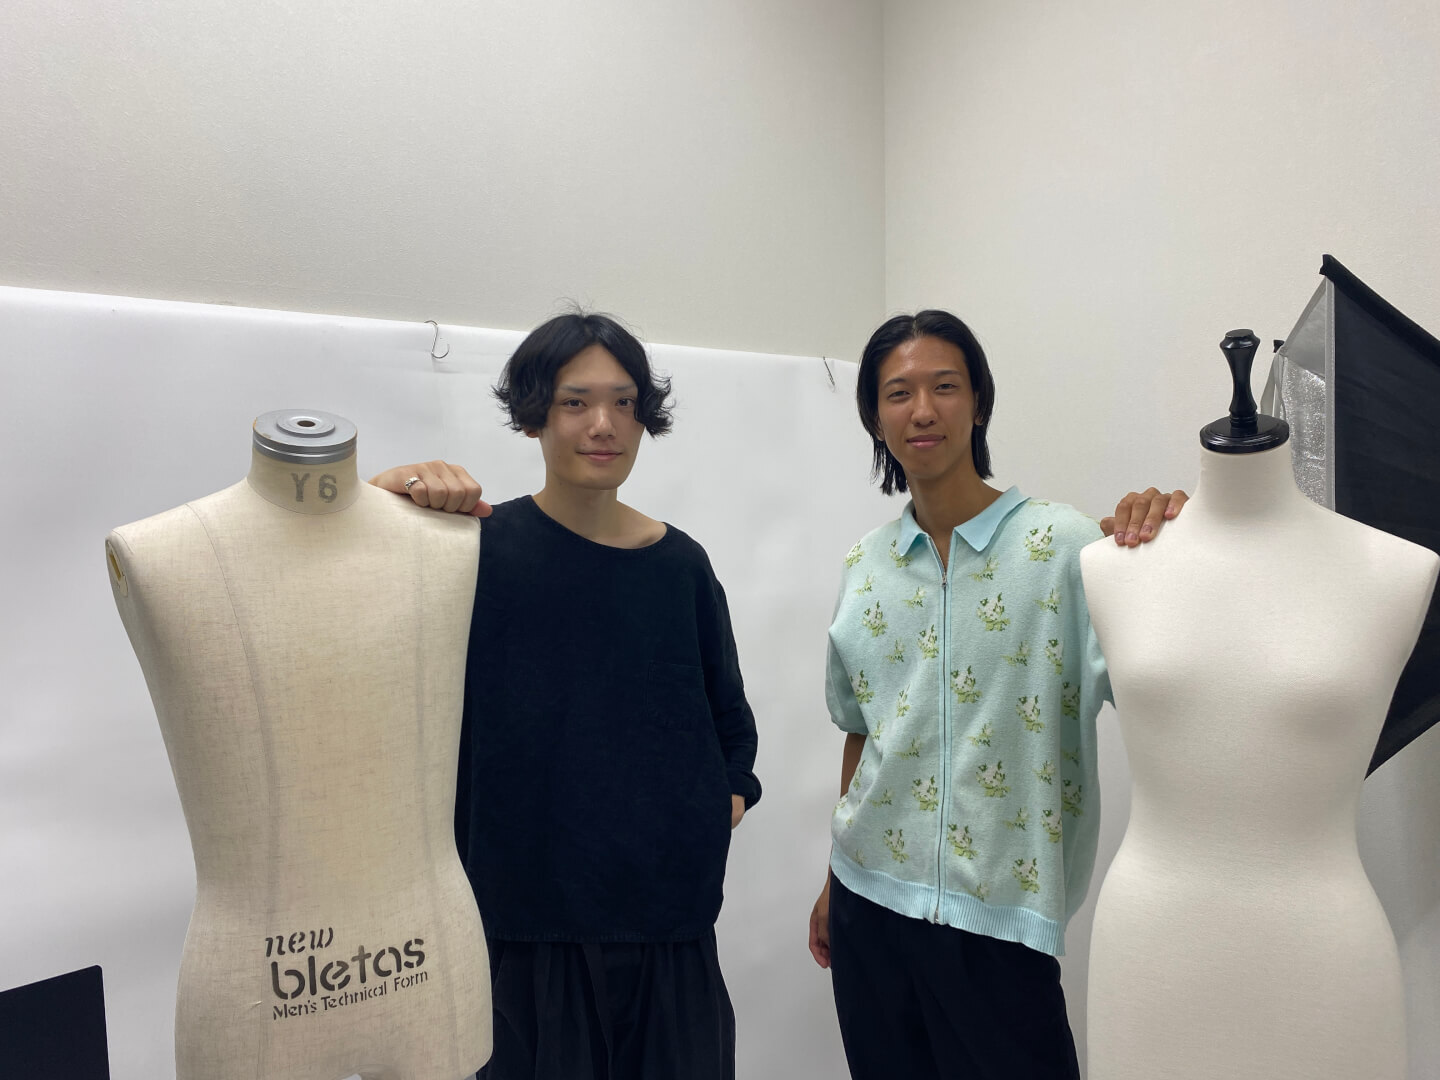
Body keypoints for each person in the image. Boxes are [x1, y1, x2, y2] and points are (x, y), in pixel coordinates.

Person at [371, 311, 761, 1080]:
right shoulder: (475, 549)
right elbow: (350, 606)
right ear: (534, 416)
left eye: (623, 402)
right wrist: (387, 496)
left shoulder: (681, 566)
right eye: (575, 402)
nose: (602, 425)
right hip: (521, 932)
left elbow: (729, 721)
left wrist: (721, 800)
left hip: (671, 932)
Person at [806, 310, 1182, 1079]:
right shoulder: (865, 566)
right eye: (898, 393)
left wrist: (1178, 549)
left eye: (944, 387)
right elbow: (861, 730)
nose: (922, 410)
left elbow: (1172, 679)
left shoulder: (1064, 548)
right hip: (866, 903)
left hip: (1002, 923)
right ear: (875, 419)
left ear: (978, 401)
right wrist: (830, 879)